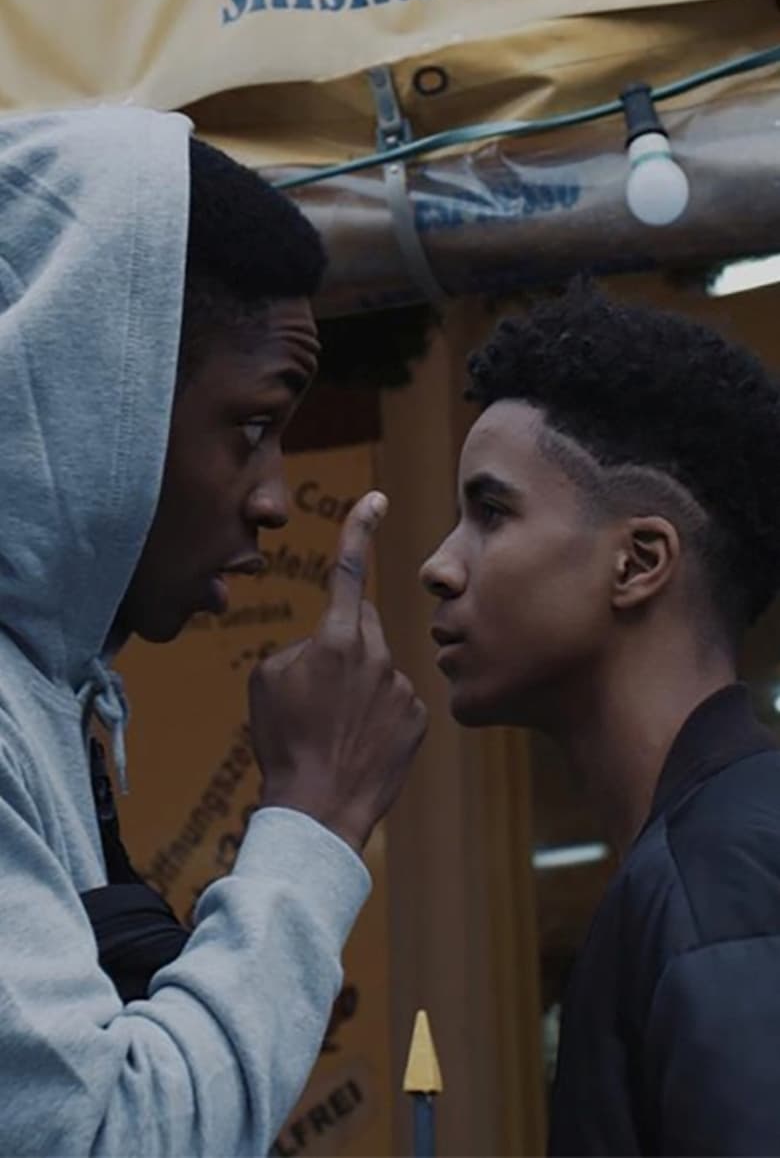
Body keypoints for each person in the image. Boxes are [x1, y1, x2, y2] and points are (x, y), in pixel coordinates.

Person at [0, 106, 426, 1155]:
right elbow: (101, 1136)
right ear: (103, 391)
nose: (276, 498)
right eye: (253, 425)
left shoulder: (41, 696)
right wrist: (314, 818)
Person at [420, 280, 780, 1155]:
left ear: (638, 561)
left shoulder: (713, 880)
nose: (439, 565)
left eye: (492, 512)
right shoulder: (706, 858)